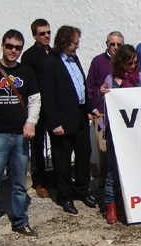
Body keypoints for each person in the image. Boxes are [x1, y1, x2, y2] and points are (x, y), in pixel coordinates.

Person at [0, 29, 41, 241]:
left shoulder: (27, 72)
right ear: (2, 46)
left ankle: (20, 221)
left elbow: (35, 100)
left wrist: (31, 122)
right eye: (9, 46)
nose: (13, 51)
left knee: (19, 183)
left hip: (20, 136)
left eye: (17, 47)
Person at [39, 26, 100, 215]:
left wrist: (91, 107)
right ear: (65, 42)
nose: (78, 46)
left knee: (83, 154)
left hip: (81, 115)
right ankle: (64, 196)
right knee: (62, 159)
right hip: (63, 120)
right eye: (76, 42)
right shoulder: (50, 63)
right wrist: (54, 123)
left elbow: (81, 87)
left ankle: (81, 190)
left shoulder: (74, 60)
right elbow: (47, 97)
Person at [99, 45, 141, 223]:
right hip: (116, 133)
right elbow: (105, 104)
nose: (133, 66)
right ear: (121, 62)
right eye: (130, 62)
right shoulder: (110, 79)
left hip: (136, 133)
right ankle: (111, 206)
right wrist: (102, 94)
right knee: (113, 169)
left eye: (136, 62)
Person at [86, 31, 124, 185]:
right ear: (107, 44)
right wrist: (90, 109)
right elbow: (89, 86)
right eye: (112, 44)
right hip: (102, 113)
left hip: (122, 115)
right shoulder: (98, 61)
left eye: (118, 44)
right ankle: (104, 183)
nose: (115, 47)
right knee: (104, 151)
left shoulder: (126, 62)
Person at [21, 18, 52, 198]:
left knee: (57, 144)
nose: (46, 36)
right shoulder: (29, 56)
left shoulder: (54, 53)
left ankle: (57, 177)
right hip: (37, 106)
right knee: (38, 145)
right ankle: (40, 180)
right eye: (42, 33)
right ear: (34, 35)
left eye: (48, 32)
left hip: (53, 106)